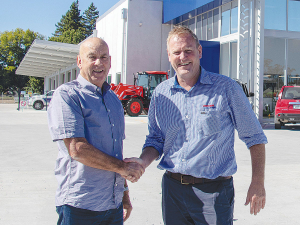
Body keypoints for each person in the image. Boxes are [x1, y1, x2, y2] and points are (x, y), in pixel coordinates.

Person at [125, 25, 267, 224]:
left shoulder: (226, 89)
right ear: (169, 55)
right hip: (172, 190)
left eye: (188, 50)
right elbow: (156, 139)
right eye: (176, 52)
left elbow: (255, 137)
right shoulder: (161, 94)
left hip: (214, 193)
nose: (183, 57)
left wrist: (257, 183)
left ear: (199, 51)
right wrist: (143, 161)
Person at [47, 37, 144, 225]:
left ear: (110, 61)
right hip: (80, 206)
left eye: (103, 57)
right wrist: (124, 168)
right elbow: (77, 149)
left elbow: (116, 151)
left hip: (112, 205)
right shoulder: (68, 95)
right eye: (92, 57)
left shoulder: (113, 100)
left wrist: (124, 194)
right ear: (79, 61)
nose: (98, 63)